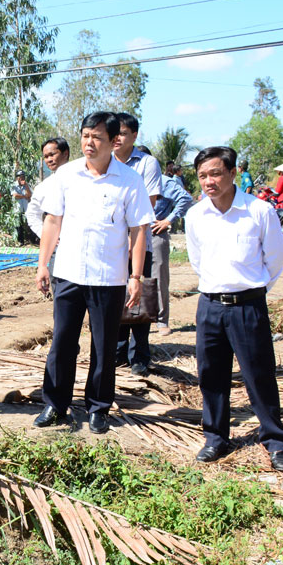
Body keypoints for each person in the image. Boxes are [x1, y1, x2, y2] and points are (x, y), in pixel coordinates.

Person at [34, 112, 154, 433]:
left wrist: (135, 276)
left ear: (114, 141)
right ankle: (55, 404)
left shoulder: (129, 180)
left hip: (108, 277)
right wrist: (44, 263)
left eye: (96, 137)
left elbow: (138, 230)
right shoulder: (67, 174)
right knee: (62, 342)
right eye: (85, 135)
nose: (89, 142)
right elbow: (52, 220)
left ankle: (98, 407)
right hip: (69, 273)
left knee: (103, 345)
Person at [185, 146, 283, 473]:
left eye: (216, 173)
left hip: (248, 306)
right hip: (210, 308)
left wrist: (253, 290)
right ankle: (216, 438)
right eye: (203, 176)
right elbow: (196, 261)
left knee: (259, 375)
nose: (209, 182)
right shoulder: (195, 215)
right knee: (211, 376)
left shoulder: (259, 212)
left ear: (233, 173)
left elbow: (275, 258)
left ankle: (277, 441)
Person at [112, 113, 161, 377]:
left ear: (134, 136)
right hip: (113, 247)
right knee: (116, 298)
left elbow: (148, 205)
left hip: (140, 242)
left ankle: (140, 354)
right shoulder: (104, 162)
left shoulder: (147, 164)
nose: (117, 138)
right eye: (114, 133)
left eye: (123, 133)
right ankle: (119, 353)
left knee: (141, 299)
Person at [152, 163, 193, 336]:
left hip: (155, 233)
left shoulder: (164, 182)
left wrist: (168, 220)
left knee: (159, 277)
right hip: (129, 234)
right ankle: (130, 320)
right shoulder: (127, 179)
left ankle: (161, 321)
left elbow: (185, 199)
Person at [27, 137, 70, 241]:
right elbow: (32, 214)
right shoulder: (44, 187)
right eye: (46, 156)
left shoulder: (84, 179)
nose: (49, 160)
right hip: (58, 249)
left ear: (65, 154)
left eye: (52, 155)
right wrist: (47, 236)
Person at [11, 170, 33, 244]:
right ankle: (20, 241)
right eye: (20, 177)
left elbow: (30, 194)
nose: (22, 178)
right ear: (17, 178)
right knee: (18, 226)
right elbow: (15, 195)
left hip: (26, 209)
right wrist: (24, 196)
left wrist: (26, 186)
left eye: (23, 177)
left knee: (28, 225)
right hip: (18, 209)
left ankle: (31, 240)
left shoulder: (26, 185)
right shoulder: (14, 186)